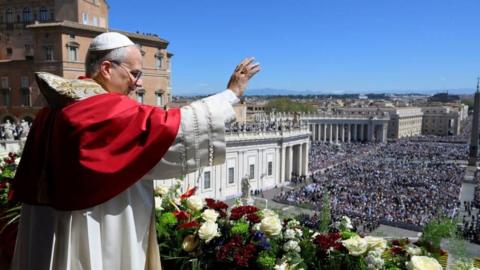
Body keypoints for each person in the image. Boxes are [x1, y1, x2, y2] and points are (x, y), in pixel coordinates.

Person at [11, 32, 260, 270]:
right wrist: (231, 94)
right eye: (134, 73)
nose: (138, 83)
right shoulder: (100, 108)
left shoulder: (55, 107)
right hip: (94, 222)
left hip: (48, 224)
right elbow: (172, 128)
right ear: (107, 69)